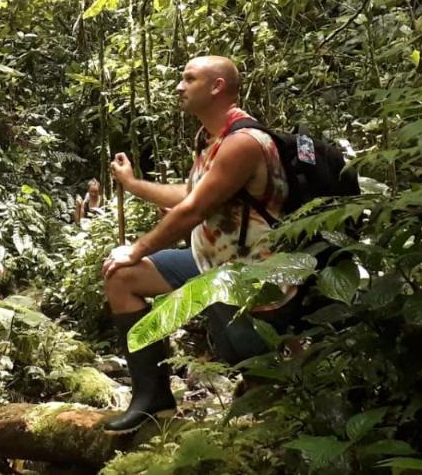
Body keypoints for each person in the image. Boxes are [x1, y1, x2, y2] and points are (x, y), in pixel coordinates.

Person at [98, 55, 293, 433]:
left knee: (249, 361)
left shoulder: (244, 143)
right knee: (122, 277)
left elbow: (192, 210)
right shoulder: (209, 140)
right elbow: (189, 194)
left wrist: (137, 248)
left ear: (217, 86)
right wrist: (133, 184)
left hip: (254, 275)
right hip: (210, 263)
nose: (179, 87)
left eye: (188, 79)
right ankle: (152, 400)